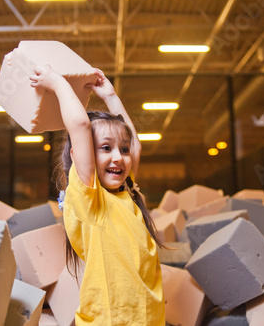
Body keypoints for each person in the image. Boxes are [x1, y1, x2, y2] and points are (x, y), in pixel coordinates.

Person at [30, 65, 165, 325]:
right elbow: (80, 125)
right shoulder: (90, 200)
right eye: (105, 147)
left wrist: (111, 97)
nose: (119, 156)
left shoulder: (126, 193)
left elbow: (135, 144)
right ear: (80, 155)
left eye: (122, 149)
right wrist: (58, 83)